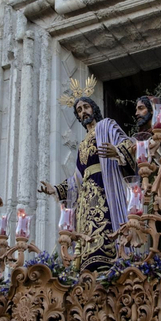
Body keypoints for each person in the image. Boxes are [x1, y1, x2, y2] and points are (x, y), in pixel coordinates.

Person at [39, 86, 133, 273]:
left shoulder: (106, 126)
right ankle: (88, 268)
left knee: (105, 228)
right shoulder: (82, 144)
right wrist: (55, 189)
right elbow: (77, 178)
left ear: (94, 108)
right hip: (85, 198)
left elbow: (128, 143)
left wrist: (117, 151)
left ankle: (110, 262)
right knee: (86, 237)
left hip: (105, 188)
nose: (83, 112)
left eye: (86, 107)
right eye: (79, 110)